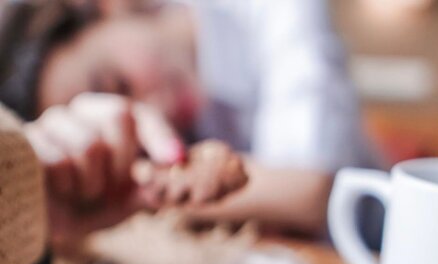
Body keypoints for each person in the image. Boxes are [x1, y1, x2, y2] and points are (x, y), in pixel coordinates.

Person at [0, 0, 377, 242]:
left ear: (108, 8)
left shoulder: (272, 10)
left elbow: (309, 190)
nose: (151, 113)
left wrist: (148, 191)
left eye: (118, 83)